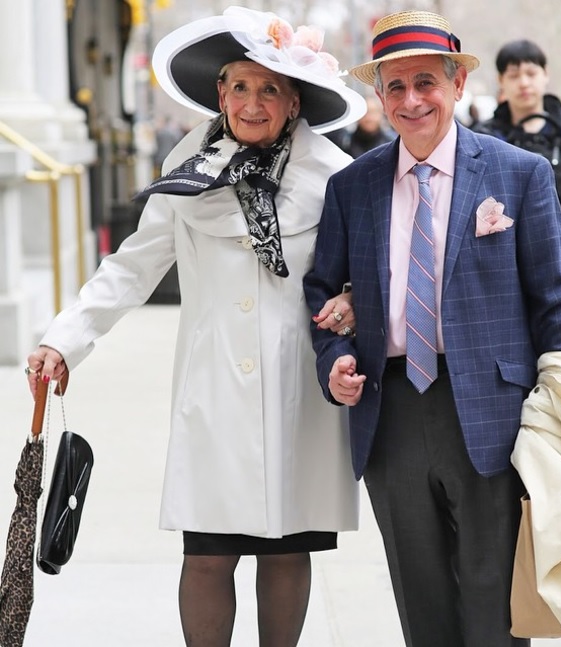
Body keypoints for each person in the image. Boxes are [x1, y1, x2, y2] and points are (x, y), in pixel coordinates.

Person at [25, 7, 367, 646]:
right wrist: (64, 338)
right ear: (220, 93)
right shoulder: (188, 167)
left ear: (294, 102)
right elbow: (133, 265)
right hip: (214, 391)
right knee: (208, 552)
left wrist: (354, 301)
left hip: (299, 387)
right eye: (240, 87)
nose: (253, 103)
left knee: (288, 548)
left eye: (270, 90)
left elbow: (365, 270)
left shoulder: (334, 176)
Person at [303, 10, 561, 647]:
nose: (411, 101)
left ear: (457, 85)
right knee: (421, 601)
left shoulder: (520, 174)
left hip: (494, 414)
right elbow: (322, 292)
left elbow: (556, 303)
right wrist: (333, 360)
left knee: (496, 603)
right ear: (379, 95)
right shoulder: (351, 187)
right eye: (395, 86)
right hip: (391, 414)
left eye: (426, 83)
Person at [473, 39, 561, 294]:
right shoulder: (486, 137)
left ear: (545, 74)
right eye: (514, 75)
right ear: (501, 80)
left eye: (531, 73)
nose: (524, 83)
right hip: (505, 266)